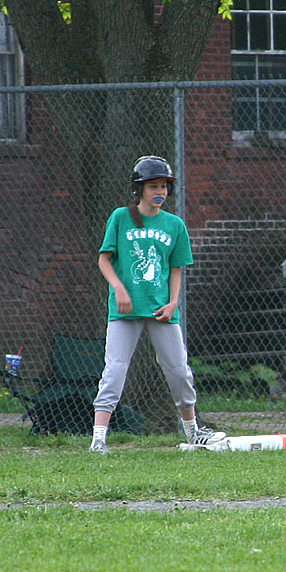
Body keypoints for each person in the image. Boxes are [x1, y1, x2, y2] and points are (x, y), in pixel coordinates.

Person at [89, 155, 225, 453]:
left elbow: (176, 268)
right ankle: (99, 438)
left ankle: (193, 432)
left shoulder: (174, 225)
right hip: (124, 310)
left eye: (164, 185)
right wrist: (119, 289)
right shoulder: (121, 217)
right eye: (153, 186)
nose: (159, 191)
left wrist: (173, 302)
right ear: (140, 189)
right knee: (114, 371)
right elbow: (104, 259)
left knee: (179, 371)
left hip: (161, 310)